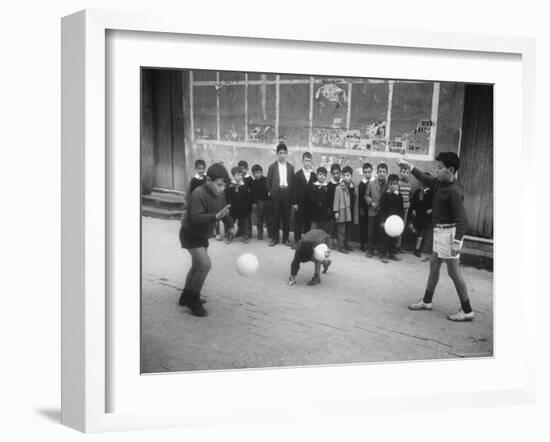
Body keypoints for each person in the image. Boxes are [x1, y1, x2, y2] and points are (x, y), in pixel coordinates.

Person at [398, 153, 474, 322]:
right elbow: (424, 178)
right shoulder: (439, 183)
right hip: (439, 232)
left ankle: (467, 310)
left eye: (440, 168)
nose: (437, 171)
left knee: (453, 272)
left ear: (451, 170)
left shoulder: (454, 191)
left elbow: (462, 220)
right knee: (433, 265)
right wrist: (408, 166)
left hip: (449, 235)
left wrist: (457, 241)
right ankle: (427, 301)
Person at [178, 164, 233, 317]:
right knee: (205, 265)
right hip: (190, 234)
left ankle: (186, 296)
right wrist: (215, 217)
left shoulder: (220, 193)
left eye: (224, 185)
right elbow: (196, 218)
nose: (222, 189)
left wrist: (230, 224)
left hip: (202, 235)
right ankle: (193, 302)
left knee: (197, 266)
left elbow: (223, 210)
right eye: (219, 185)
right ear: (208, 180)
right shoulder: (198, 193)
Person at [266, 143, 295, 247]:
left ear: (287, 154)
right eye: (280, 153)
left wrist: (291, 196)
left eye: (284, 153)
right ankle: (275, 238)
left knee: (286, 217)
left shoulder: (291, 167)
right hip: (276, 194)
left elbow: (292, 182)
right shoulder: (272, 167)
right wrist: (271, 192)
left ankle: (286, 238)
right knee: (275, 217)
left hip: (287, 193)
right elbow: (268, 181)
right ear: (277, 154)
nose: (282, 155)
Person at [378, 174, 404, 263]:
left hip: (395, 222)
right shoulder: (385, 195)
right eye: (391, 184)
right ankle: (382, 254)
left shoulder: (399, 196)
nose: (392, 186)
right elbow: (382, 209)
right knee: (384, 239)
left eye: (394, 184)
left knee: (393, 238)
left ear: (397, 184)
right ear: (388, 184)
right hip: (386, 221)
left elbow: (401, 210)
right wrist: (382, 221)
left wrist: (401, 222)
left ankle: (391, 254)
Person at [364, 162, 388, 258]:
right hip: (372, 212)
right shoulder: (371, 183)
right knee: (371, 232)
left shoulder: (388, 185)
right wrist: (371, 203)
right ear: (377, 172)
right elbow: (366, 195)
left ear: (386, 173)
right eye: (380, 171)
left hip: (383, 213)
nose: (381, 173)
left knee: (381, 232)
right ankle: (370, 249)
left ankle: (381, 251)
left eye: (384, 171)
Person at [292, 152, 317, 242]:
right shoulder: (298, 174)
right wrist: (294, 203)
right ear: (302, 161)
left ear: (311, 162)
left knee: (307, 222)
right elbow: (294, 189)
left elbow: (315, 189)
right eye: (306, 161)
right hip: (299, 203)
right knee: (298, 222)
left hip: (309, 204)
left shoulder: (314, 175)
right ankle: (297, 240)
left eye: (309, 161)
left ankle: (306, 241)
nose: (307, 163)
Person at [225, 166, 253, 244]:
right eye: (238, 175)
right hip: (232, 208)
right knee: (230, 222)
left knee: (244, 223)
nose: (240, 177)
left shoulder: (244, 186)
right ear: (233, 176)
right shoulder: (230, 186)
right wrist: (228, 205)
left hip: (242, 208)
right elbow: (227, 197)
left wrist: (248, 206)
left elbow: (247, 197)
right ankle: (229, 236)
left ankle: (245, 236)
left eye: (241, 175)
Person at [333, 165, 355, 254]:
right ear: (342, 176)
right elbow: (336, 200)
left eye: (348, 175)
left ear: (351, 176)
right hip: (342, 212)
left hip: (349, 212)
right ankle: (340, 246)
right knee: (341, 230)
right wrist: (336, 211)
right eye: (344, 175)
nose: (346, 177)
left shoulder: (352, 187)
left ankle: (346, 244)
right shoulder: (338, 188)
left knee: (348, 230)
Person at [409, 180, 433, 257]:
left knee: (421, 233)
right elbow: (413, 202)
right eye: (423, 183)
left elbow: (435, 202)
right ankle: (411, 246)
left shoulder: (430, 193)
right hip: (417, 215)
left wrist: (431, 209)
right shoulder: (417, 192)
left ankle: (418, 249)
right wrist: (413, 209)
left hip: (425, 216)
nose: (424, 185)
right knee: (412, 228)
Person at [250, 164, 271, 240]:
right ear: (253, 174)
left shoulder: (266, 180)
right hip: (259, 202)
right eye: (254, 173)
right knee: (259, 219)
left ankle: (270, 233)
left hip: (268, 201)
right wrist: (254, 203)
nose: (256, 175)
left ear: (261, 172)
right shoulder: (254, 183)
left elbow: (270, 190)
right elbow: (253, 194)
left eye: (258, 172)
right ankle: (260, 234)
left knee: (269, 218)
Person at [309, 167, 332, 234]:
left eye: (324, 175)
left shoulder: (327, 187)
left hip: (324, 213)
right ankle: (312, 242)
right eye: (320, 174)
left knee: (323, 230)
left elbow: (329, 200)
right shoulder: (313, 186)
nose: (322, 177)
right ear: (317, 175)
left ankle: (322, 242)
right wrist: (319, 189)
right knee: (313, 229)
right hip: (314, 212)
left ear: (326, 177)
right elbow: (311, 199)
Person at [396, 165, 412, 253]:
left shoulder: (409, 184)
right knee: (397, 226)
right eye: (403, 172)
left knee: (402, 227)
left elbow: (410, 194)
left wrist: (408, 203)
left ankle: (398, 246)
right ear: (400, 172)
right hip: (399, 208)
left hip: (406, 208)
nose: (405, 174)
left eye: (407, 172)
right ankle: (394, 246)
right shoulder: (398, 182)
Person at [357, 162, 373, 251]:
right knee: (363, 227)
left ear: (372, 172)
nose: (367, 174)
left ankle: (369, 244)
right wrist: (360, 209)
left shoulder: (373, 183)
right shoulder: (361, 184)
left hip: (371, 209)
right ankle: (363, 244)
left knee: (370, 227)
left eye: (369, 172)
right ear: (363, 173)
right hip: (363, 209)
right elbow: (360, 198)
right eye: (365, 172)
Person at [326, 163, 342, 247]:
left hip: (341, 209)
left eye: (337, 173)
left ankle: (339, 242)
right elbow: (328, 199)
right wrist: (330, 210)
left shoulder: (343, 183)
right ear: (331, 174)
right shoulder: (330, 185)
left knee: (340, 227)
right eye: (334, 173)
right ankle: (330, 242)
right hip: (332, 209)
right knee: (331, 226)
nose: (336, 175)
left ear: (340, 173)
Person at [238, 160, 254, 239]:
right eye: (240, 169)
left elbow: (251, 191)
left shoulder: (249, 179)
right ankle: (240, 231)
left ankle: (248, 232)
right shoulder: (238, 178)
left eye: (244, 169)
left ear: (247, 169)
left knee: (247, 218)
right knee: (240, 217)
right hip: (239, 202)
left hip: (247, 202)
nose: (242, 170)